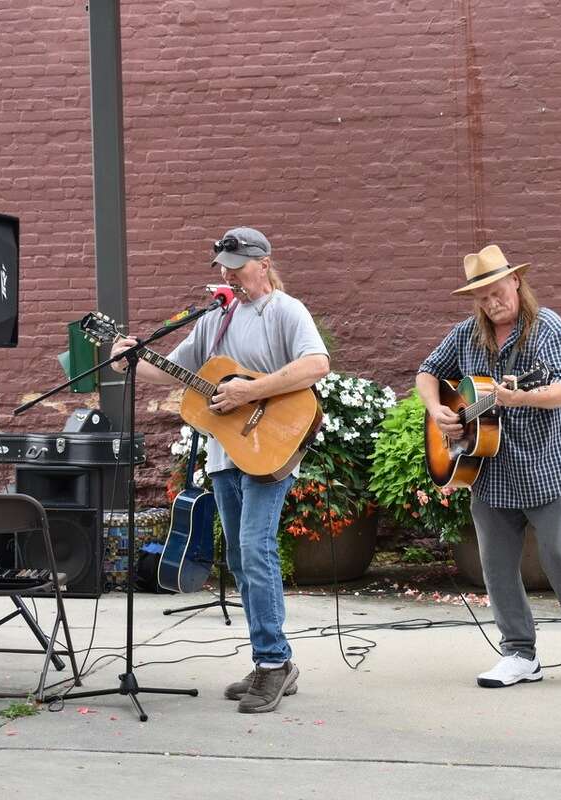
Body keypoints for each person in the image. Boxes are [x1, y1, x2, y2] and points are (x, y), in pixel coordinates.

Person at [111, 226, 329, 713]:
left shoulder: (286, 312)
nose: (229, 274)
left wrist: (249, 392)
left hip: (271, 448)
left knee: (255, 549)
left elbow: (317, 365)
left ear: (264, 263)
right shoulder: (216, 319)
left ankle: (275, 664)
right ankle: (268, 661)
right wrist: (128, 360)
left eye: (238, 265)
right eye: (224, 267)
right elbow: (169, 367)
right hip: (226, 454)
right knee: (238, 559)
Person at [416, 244, 561, 688]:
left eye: (496, 291)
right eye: (481, 296)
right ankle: (520, 654)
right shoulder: (467, 333)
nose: (491, 302)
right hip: (489, 469)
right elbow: (427, 371)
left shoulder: (547, 328)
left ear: (516, 281)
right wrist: (439, 411)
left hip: (546, 464)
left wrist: (520, 396)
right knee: (497, 566)